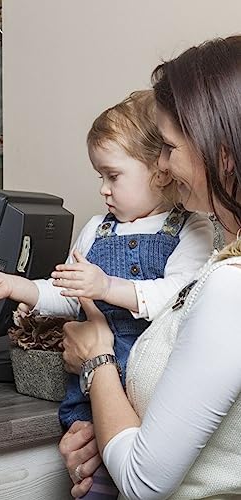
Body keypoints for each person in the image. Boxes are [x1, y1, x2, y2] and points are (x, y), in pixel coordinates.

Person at [0, 91, 214, 497]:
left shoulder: (191, 228)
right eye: (100, 177)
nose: (104, 190)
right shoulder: (97, 228)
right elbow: (67, 293)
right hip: (89, 390)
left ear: (161, 171)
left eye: (113, 176)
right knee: (94, 476)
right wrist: (15, 287)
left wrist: (108, 287)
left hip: (149, 390)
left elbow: (180, 298)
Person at [60, 35, 241, 500]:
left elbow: (144, 482)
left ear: (221, 155)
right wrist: (109, 436)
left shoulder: (231, 288)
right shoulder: (222, 264)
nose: (160, 163)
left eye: (169, 147)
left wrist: (97, 359)